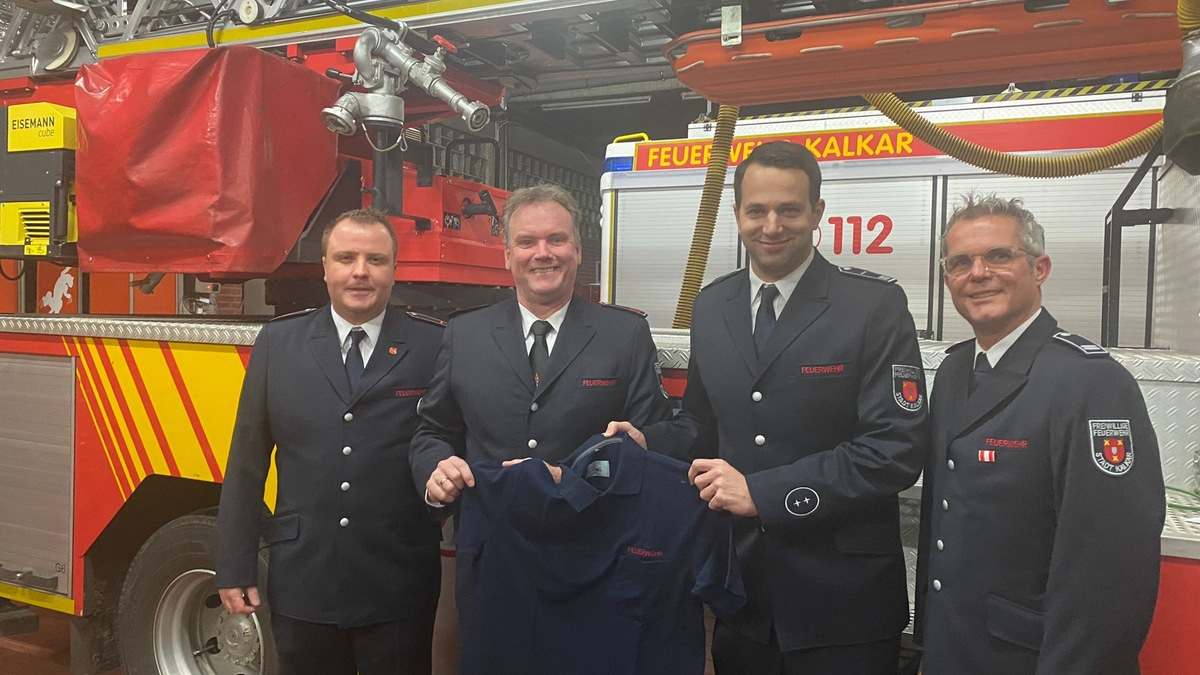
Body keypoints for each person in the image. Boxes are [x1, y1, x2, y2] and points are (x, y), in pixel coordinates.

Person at [613, 140, 930, 674]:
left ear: (817, 213)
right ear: (737, 213)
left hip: (844, 605)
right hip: (744, 595)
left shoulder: (872, 306)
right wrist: (650, 440)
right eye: (757, 210)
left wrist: (762, 494)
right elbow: (702, 424)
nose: (772, 226)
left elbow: (894, 449)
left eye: (789, 209)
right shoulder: (713, 306)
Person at [914, 194, 1165, 675]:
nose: (978, 273)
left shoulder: (1090, 382)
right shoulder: (953, 372)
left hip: (1030, 659)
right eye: (960, 262)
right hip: (955, 647)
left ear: (1040, 268)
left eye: (998, 255)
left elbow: (1111, 568)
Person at [216, 208, 445, 675]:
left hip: (398, 579)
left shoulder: (433, 345)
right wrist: (235, 564)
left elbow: (448, 437)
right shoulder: (279, 343)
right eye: (346, 258)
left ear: (394, 269)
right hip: (304, 576)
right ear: (324, 267)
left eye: (375, 260)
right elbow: (247, 462)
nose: (360, 272)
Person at [411, 183, 671, 505]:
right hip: (491, 528)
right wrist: (436, 470)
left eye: (556, 239)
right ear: (508, 256)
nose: (543, 253)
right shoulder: (464, 334)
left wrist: (576, 479)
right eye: (527, 242)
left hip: (593, 527)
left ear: (578, 251)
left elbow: (653, 439)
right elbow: (433, 431)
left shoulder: (625, 335)